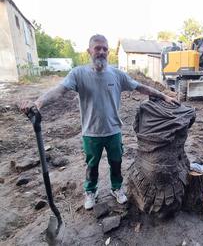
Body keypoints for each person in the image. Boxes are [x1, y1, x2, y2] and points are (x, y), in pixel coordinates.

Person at [19, 34, 179, 210]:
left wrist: (163, 95)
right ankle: (90, 191)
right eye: (97, 48)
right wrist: (38, 103)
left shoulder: (117, 75)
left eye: (104, 49)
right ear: (89, 51)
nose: (101, 52)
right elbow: (59, 90)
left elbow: (140, 87)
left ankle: (116, 188)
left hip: (113, 132)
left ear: (108, 52)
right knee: (92, 165)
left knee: (116, 163)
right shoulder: (78, 74)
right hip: (91, 133)